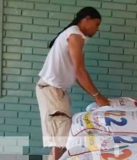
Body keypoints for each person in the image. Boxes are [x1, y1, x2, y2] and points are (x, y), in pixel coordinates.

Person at [35, 7, 110, 160]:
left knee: (61, 140)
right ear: (86, 19)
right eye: (96, 24)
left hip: (56, 91)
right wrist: (97, 96)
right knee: (60, 140)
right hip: (52, 91)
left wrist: (95, 96)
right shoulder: (74, 35)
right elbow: (80, 72)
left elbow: (77, 75)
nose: (97, 29)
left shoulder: (76, 36)